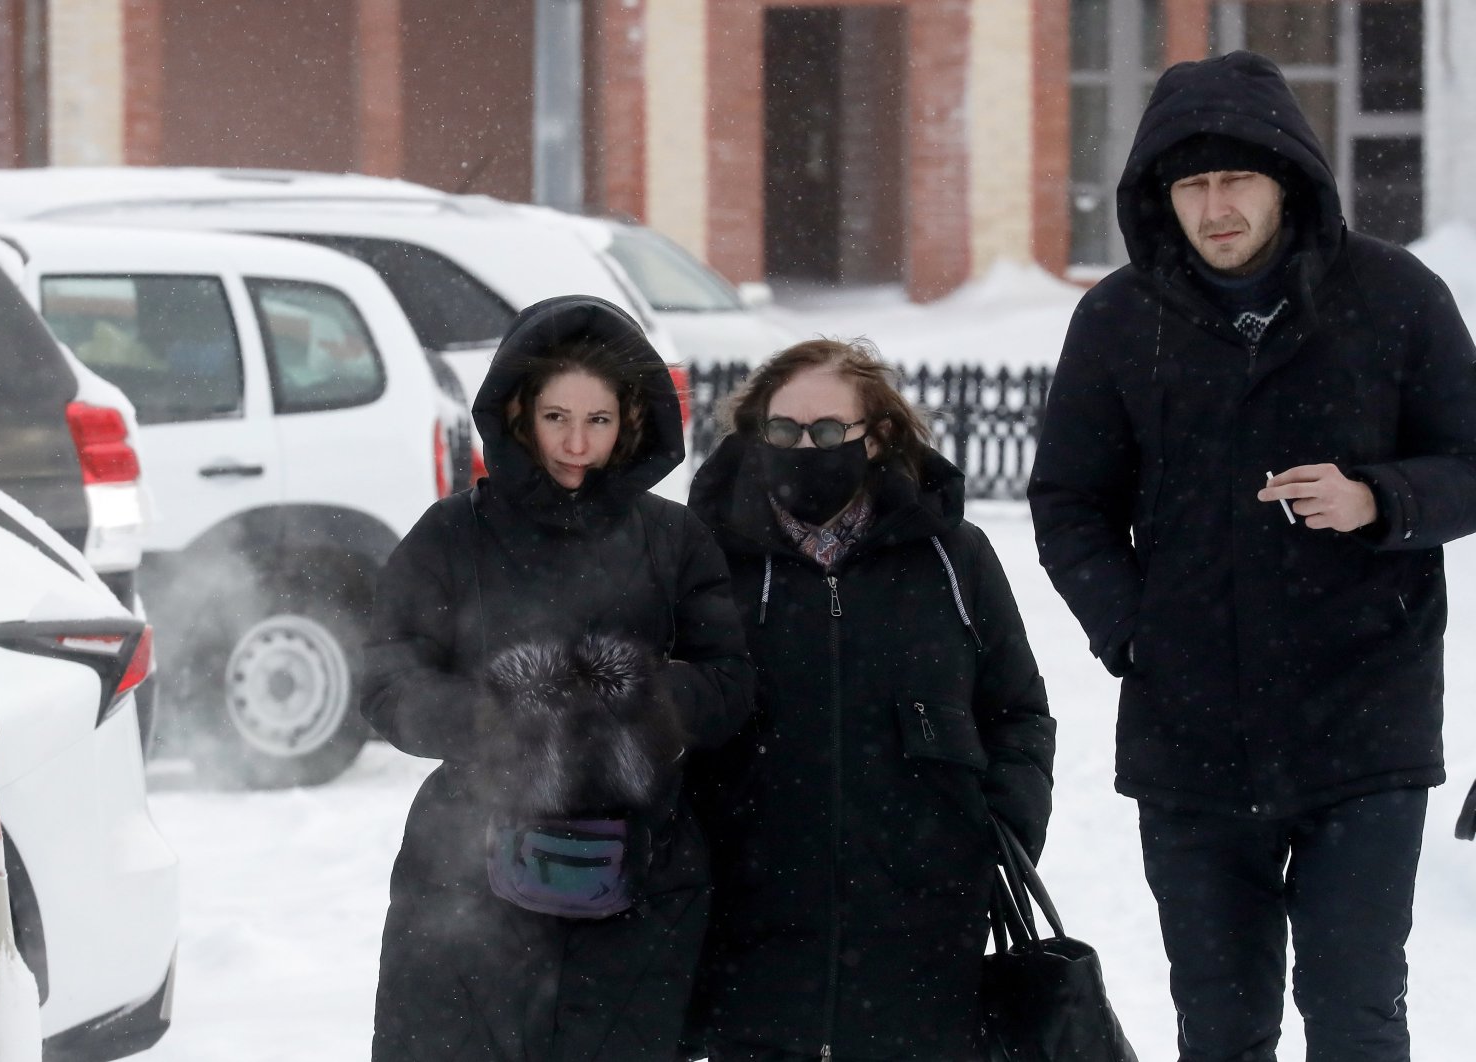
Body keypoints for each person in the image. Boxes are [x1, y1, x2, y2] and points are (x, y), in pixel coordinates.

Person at [1028, 50, 1476, 1062]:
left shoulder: (1395, 298)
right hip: (1189, 738)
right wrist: (1134, 630)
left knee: (1355, 1010)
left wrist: (1377, 497)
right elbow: (1068, 503)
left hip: (1364, 726)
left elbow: (1469, 460)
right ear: (1161, 197)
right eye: (1192, 184)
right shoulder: (1116, 321)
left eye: (1236, 179)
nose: (1215, 206)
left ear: (1287, 180)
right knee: (1222, 1025)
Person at [360, 294, 754, 1061]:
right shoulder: (452, 533)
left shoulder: (673, 540)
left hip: (645, 876)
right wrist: (496, 717)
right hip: (465, 871)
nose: (576, 443)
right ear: (519, 413)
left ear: (631, 423)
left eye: (598, 421)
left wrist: (636, 705)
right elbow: (387, 679)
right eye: (555, 418)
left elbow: (731, 680)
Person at [685, 338, 1056, 1061]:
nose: (803, 448)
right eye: (783, 431)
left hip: (921, 935)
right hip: (752, 928)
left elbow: (1017, 712)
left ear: (878, 434)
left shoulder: (954, 556)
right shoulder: (709, 556)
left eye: (827, 433)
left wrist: (986, 840)